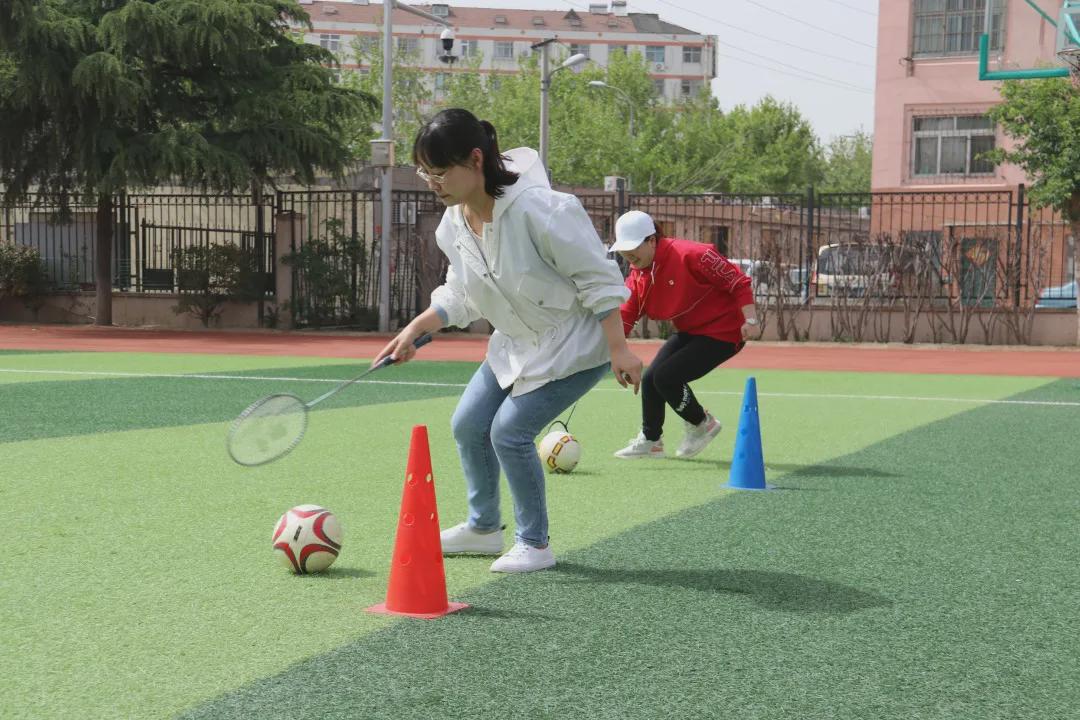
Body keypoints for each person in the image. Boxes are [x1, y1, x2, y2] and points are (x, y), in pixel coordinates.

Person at [373, 109, 643, 573]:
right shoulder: (453, 225)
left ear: (475, 160)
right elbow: (461, 296)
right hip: (515, 344)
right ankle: (483, 527)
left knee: (509, 433)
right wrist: (414, 330)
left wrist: (618, 348)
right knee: (467, 424)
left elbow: (598, 279)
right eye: (425, 173)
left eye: (439, 172)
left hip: (575, 347)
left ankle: (535, 544)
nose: (431, 183)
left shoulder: (544, 210)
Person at [610, 210, 757, 460]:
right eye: (623, 249)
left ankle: (702, 423)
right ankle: (652, 440)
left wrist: (751, 319)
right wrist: (616, 352)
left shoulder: (693, 254)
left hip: (725, 332)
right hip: (692, 331)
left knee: (667, 377)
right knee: (651, 378)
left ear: (652, 240)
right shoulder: (639, 274)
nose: (627, 255)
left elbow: (737, 282)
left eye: (633, 247)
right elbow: (626, 315)